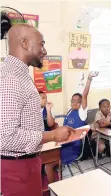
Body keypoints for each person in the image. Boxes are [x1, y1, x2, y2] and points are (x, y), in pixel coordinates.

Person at [0, 24, 74, 196]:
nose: (45, 50)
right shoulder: (11, 78)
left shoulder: (20, 74)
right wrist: (53, 136)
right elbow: (4, 137)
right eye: (41, 44)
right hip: (17, 167)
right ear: (24, 43)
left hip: (26, 162)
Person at [45, 71, 98, 183]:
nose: (75, 103)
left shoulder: (81, 113)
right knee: (49, 153)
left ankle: (54, 185)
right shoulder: (70, 111)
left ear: (81, 104)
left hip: (73, 147)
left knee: (49, 162)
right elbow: (78, 92)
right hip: (64, 142)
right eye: (72, 101)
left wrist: (89, 79)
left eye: (78, 102)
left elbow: (84, 95)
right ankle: (58, 171)